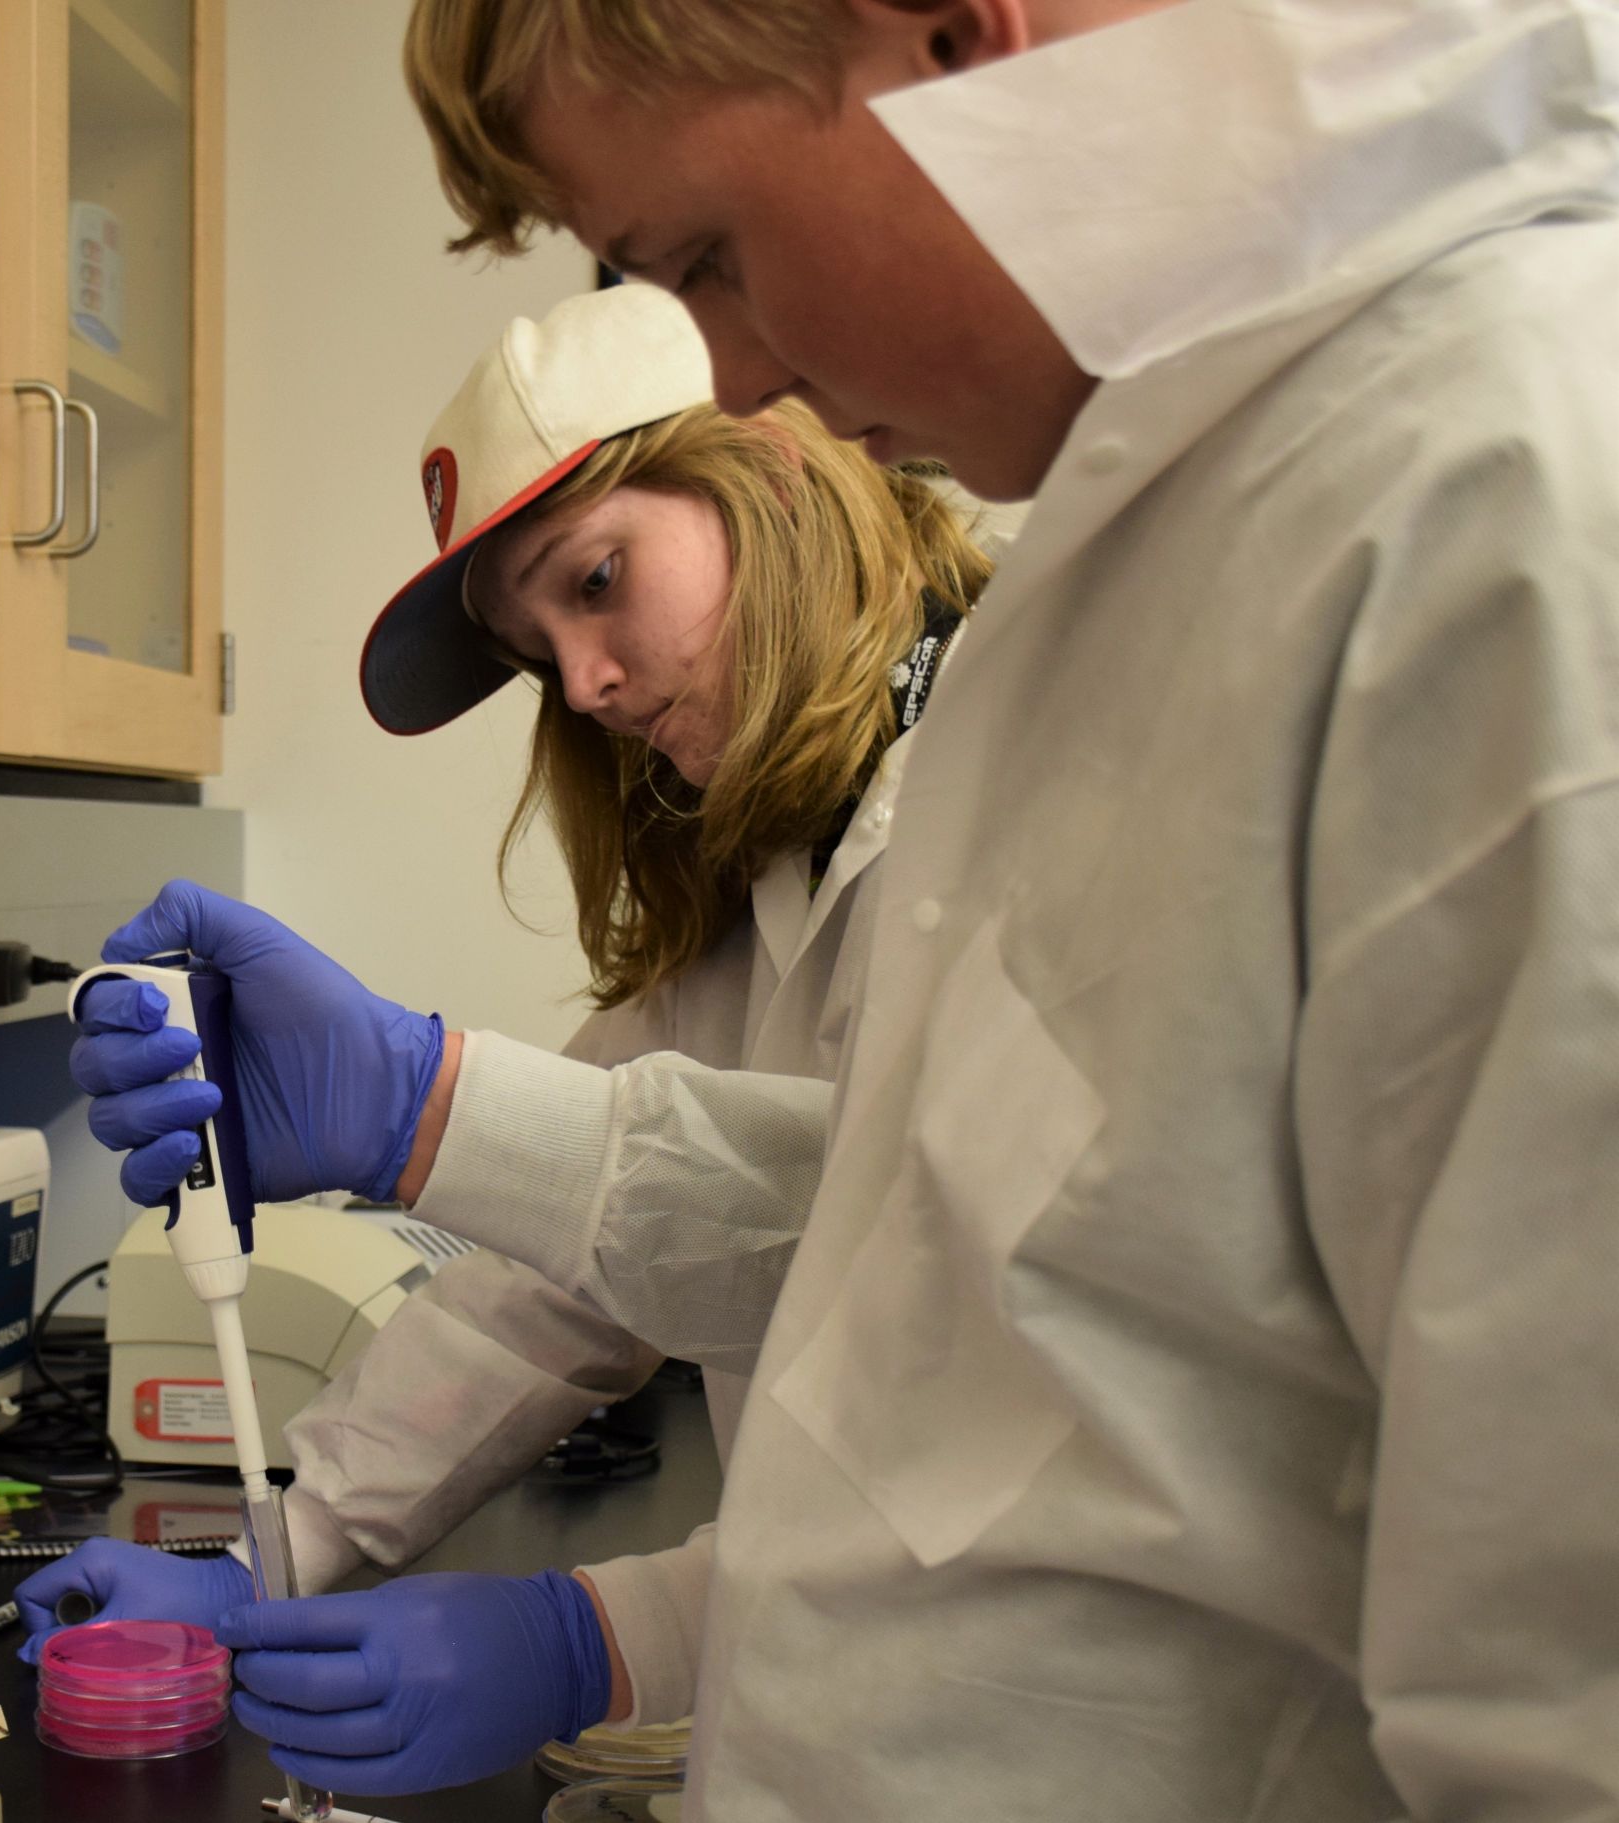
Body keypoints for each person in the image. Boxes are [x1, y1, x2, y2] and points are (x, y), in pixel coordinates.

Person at [79, 0, 1619, 1816]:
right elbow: (930, 1278)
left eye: (710, 257)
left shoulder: (1497, 498)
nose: (751, 372)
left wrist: (593, 1631)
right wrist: (293, 1515)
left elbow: (1559, 1661)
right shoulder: (1092, 627)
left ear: (962, 36)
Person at [28, 281, 996, 1791]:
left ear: (781, 466)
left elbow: (936, 1298)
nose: (591, 685)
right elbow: (542, 1290)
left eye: (599, 579)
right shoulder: (764, 885)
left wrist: (599, 1638)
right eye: (545, 653)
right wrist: (272, 1551)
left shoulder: (1017, 782)